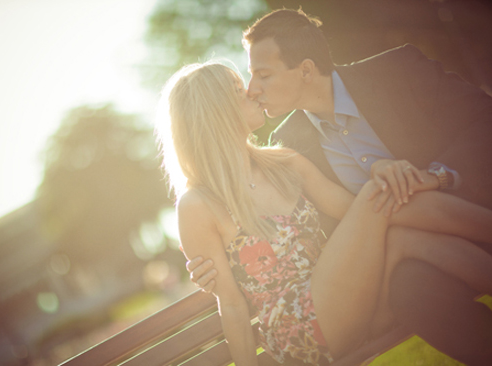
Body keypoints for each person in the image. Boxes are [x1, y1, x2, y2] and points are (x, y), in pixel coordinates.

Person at [186, 9, 492, 360]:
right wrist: (209, 262)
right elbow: (343, 230)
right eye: (246, 83)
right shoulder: (286, 145)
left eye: (261, 75)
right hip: (336, 304)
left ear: (304, 69)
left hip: (454, 218)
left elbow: (484, 119)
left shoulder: (394, 70)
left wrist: (430, 177)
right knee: (394, 236)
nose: (254, 90)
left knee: (388, 201)